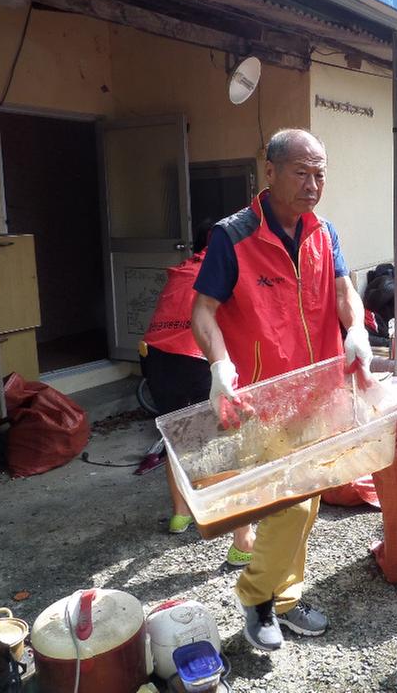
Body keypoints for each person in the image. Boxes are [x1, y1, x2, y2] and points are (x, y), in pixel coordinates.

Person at [190, 128, 372, 652]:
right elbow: (203, 309)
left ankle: (285, 599)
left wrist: (355, 327)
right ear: (269, 172)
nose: (313, 184)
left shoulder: (324, 231)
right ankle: (255, 596)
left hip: (317, 391)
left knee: (308, 500)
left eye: (320, 173)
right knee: (288, 504)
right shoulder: (234, 235)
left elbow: (343, 291)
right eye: (302, 171)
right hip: (262, 396)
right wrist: (219, 364)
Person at [140, 223, 255, 567]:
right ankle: (242, 540)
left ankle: (180, 516)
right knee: (228, 440)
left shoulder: (183, 270)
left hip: (156, 358)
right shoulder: (224, 267)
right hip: (194, 357)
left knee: (177, 438)